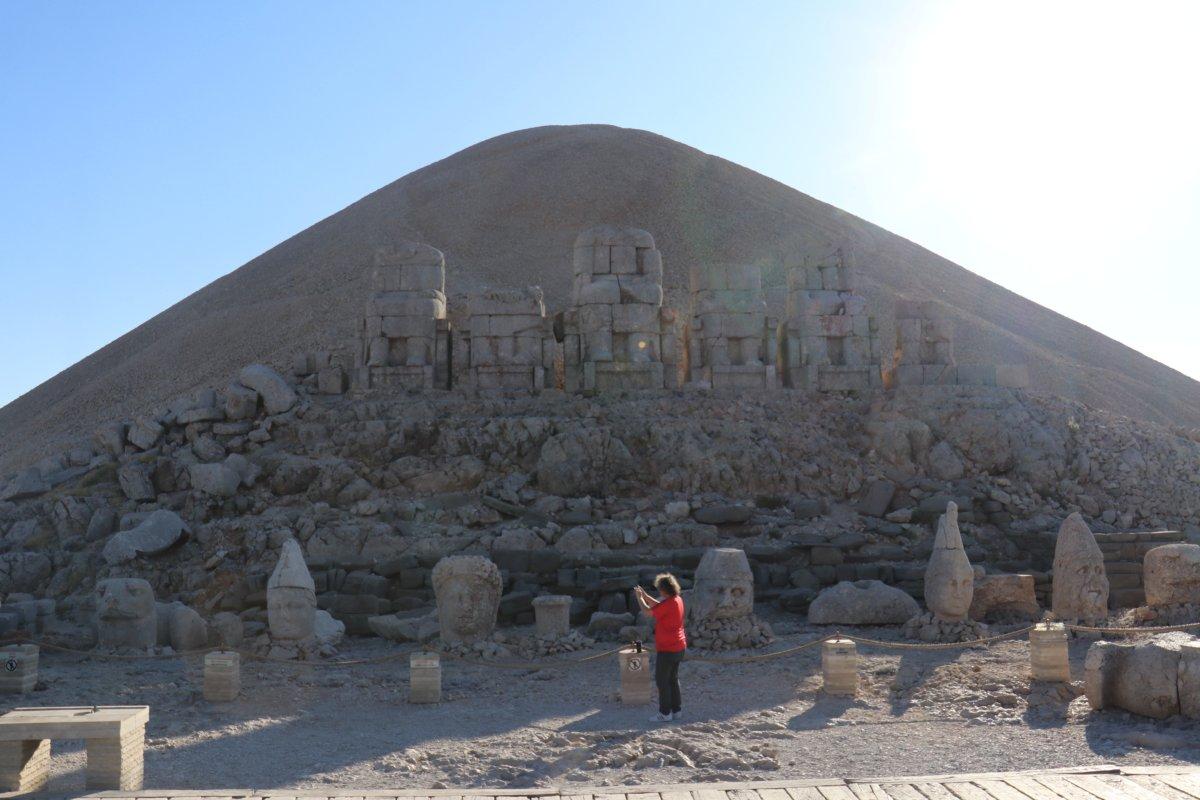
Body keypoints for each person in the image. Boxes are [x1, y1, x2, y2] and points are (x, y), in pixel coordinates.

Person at [634, 573, 687, 722]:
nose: (659, 592)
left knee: (662, 681)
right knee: (673, 679)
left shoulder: (669, 603)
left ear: (664, 590)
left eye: (659, 589)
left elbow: (647, 612)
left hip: (668, 649)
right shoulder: (677, 599)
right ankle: (676, 710)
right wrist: (645, 595)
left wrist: (639, 597)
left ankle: (665, 713)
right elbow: (658, 605)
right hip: (678, 646)